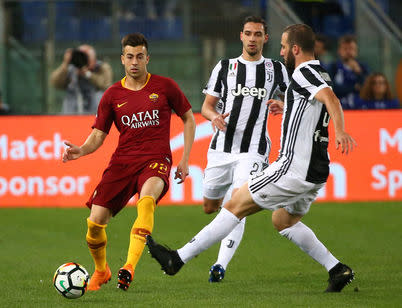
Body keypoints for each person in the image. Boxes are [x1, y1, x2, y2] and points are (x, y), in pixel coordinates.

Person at [147, 24, 357, 293]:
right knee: (283, 221)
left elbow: (330, 99)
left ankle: (176, 259)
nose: (280, 52)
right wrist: (288, 105)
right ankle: (337, 269)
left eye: (283, 46)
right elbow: (316, 101)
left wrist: (339, 129)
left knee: (235, 204)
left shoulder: (303, 71)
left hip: (292, 168)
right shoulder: (320, 70)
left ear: (295, 49)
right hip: (315, 171)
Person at [62, 32, 195, 292]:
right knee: (94, 224)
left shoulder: (165, 87)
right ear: (122, 59)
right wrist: (81, 150)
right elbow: (99, 135)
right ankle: (102, 271)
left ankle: (129, 267)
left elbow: (188, 118)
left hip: (156, 160)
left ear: (148, 58)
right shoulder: (112, 95)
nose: (135, 62)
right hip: (123, 163)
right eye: (130, 57)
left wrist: (185, 159)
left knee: (146, 203)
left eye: (140, 57)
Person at [200, 15, 289, 283]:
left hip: (254, 149)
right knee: (209, 206)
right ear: (241, 36)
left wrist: (284, 106)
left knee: (237, 203)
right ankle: (227, 215)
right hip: (221, 147)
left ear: (265, 38)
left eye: (257, 34)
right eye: (248, 34)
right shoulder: (225, 66)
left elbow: (295, 100)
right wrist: (212, 117)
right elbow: (207, 105)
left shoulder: (276, 68)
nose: (252, 38)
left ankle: (220, 265)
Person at [50, 44, 113, 114]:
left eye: (85, 57)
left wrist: (87, 74)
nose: (82, 60)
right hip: (71, 113)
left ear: (93, 59)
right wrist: (65, 64)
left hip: (94, 113)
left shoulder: (101, 68)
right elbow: (55, 83)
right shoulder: (71, 69)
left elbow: (105, 85)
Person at [328, 35, 369, 109]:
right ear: (339, 51)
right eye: (345, 49)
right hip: (339, 107)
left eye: (351, 49)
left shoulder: (363, 67)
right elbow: (332, 89)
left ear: (356, 51)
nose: (348, 52)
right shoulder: (333, 67)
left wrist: (359, 73)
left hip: (360, 108)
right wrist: (354, 88)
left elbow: (367, 89)